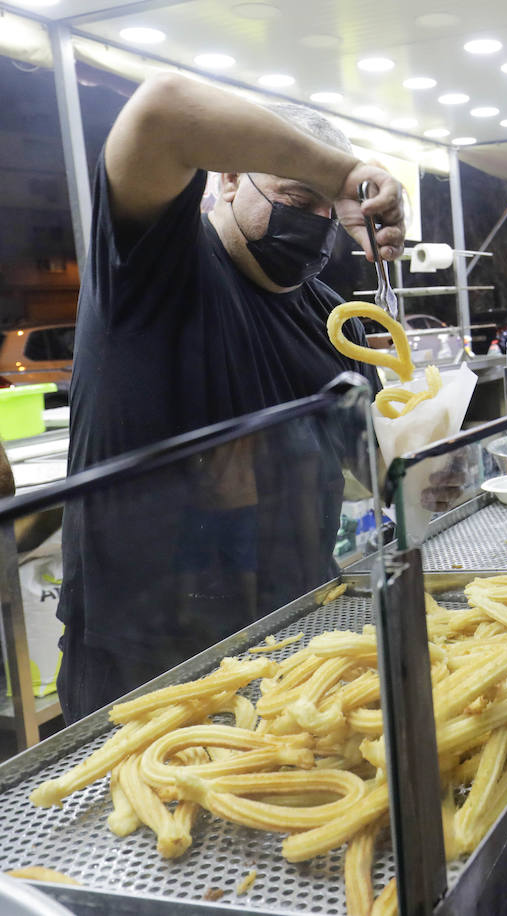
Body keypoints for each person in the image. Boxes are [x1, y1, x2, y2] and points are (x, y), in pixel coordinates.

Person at [57, 73, 406, 720]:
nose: (316, 225)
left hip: (295, 650)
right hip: (149, 674)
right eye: (297, 197)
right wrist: (345, 171)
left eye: (330, 216)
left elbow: (383, 468)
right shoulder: (155, 272)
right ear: (225, 180)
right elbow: (163, 112)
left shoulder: (331, 317)